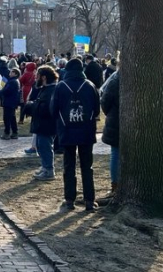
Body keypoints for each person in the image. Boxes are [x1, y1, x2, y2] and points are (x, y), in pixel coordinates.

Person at [51, 58, 100, 212]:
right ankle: (89, 200)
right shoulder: (90, 86)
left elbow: (53, 110)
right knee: (87, 166)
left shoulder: (60, 86)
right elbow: (97, 110)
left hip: (67, 130)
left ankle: (69, 200)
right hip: (86, 131)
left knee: (69, 165)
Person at [27, 66, 58, 180]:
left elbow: (46, 108)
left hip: (47, 124)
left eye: (38, 76)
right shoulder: (44, 89)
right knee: (40, 146)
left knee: (45, 146)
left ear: (44, 77)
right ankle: (45, 166)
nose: (36, 78)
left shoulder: (52, 90)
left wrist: (32, 106)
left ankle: (49, 170)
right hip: (41, 123)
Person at [99, 69, 120, 204]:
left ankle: (115, 185)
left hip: (116, 119)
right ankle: (116, 185)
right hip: (117, 119)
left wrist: (111, 112)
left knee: (116, 153)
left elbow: (105, 99)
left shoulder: (116, 77)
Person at [1, 68, 21, 140]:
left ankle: (7, 133)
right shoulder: (15, 81)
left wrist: (2, 89)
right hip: (12, 102)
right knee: (12, 118)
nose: (10, 73)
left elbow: (6, 91)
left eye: (12, 72)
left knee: (7, 118)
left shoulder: (12, 82)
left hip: (9, 102)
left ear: (15, 74)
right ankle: (14, 132)